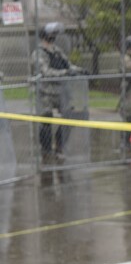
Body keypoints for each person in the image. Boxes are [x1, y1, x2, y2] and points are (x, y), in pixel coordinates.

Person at [32, 22, 83, 164]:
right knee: (46, 121)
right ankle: (46, 150)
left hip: (61, 91)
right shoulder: (39, 53)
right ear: (45, 35)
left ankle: (59, 146)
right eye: (51, 34)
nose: (53, 37)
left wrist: (78, 70)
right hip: (46, 92)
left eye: (55, 34)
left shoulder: (57, 50)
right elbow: (45, 72)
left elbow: (68, 64)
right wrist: (66, 72)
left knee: (69, 117)